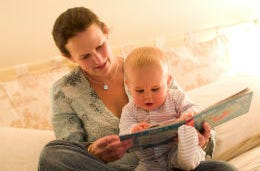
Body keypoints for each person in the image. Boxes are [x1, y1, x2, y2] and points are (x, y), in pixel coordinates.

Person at [38, 6, 238, 171]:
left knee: (224, 169)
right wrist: (93, 152)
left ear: (106, 32)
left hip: (171, 164)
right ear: (70, 58)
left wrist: (201, 140)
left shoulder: (147, 67)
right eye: (85, 56)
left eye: (99, 46)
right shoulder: (64, 92)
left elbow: (191, 115)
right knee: (51, 154)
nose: (98, 59)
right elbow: (72, 153)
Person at [120, 46, 206, 170]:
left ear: (168, 81)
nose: (148, 96)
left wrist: (188, 114)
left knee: (185, 157)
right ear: (128, 85)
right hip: (148, 164)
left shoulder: (175, 98)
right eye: (139, 91)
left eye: (155, 89)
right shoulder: (129, 110)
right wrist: (133, 130)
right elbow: (123, 134)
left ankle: (189, 148)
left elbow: (196, 108)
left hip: (176, 153)